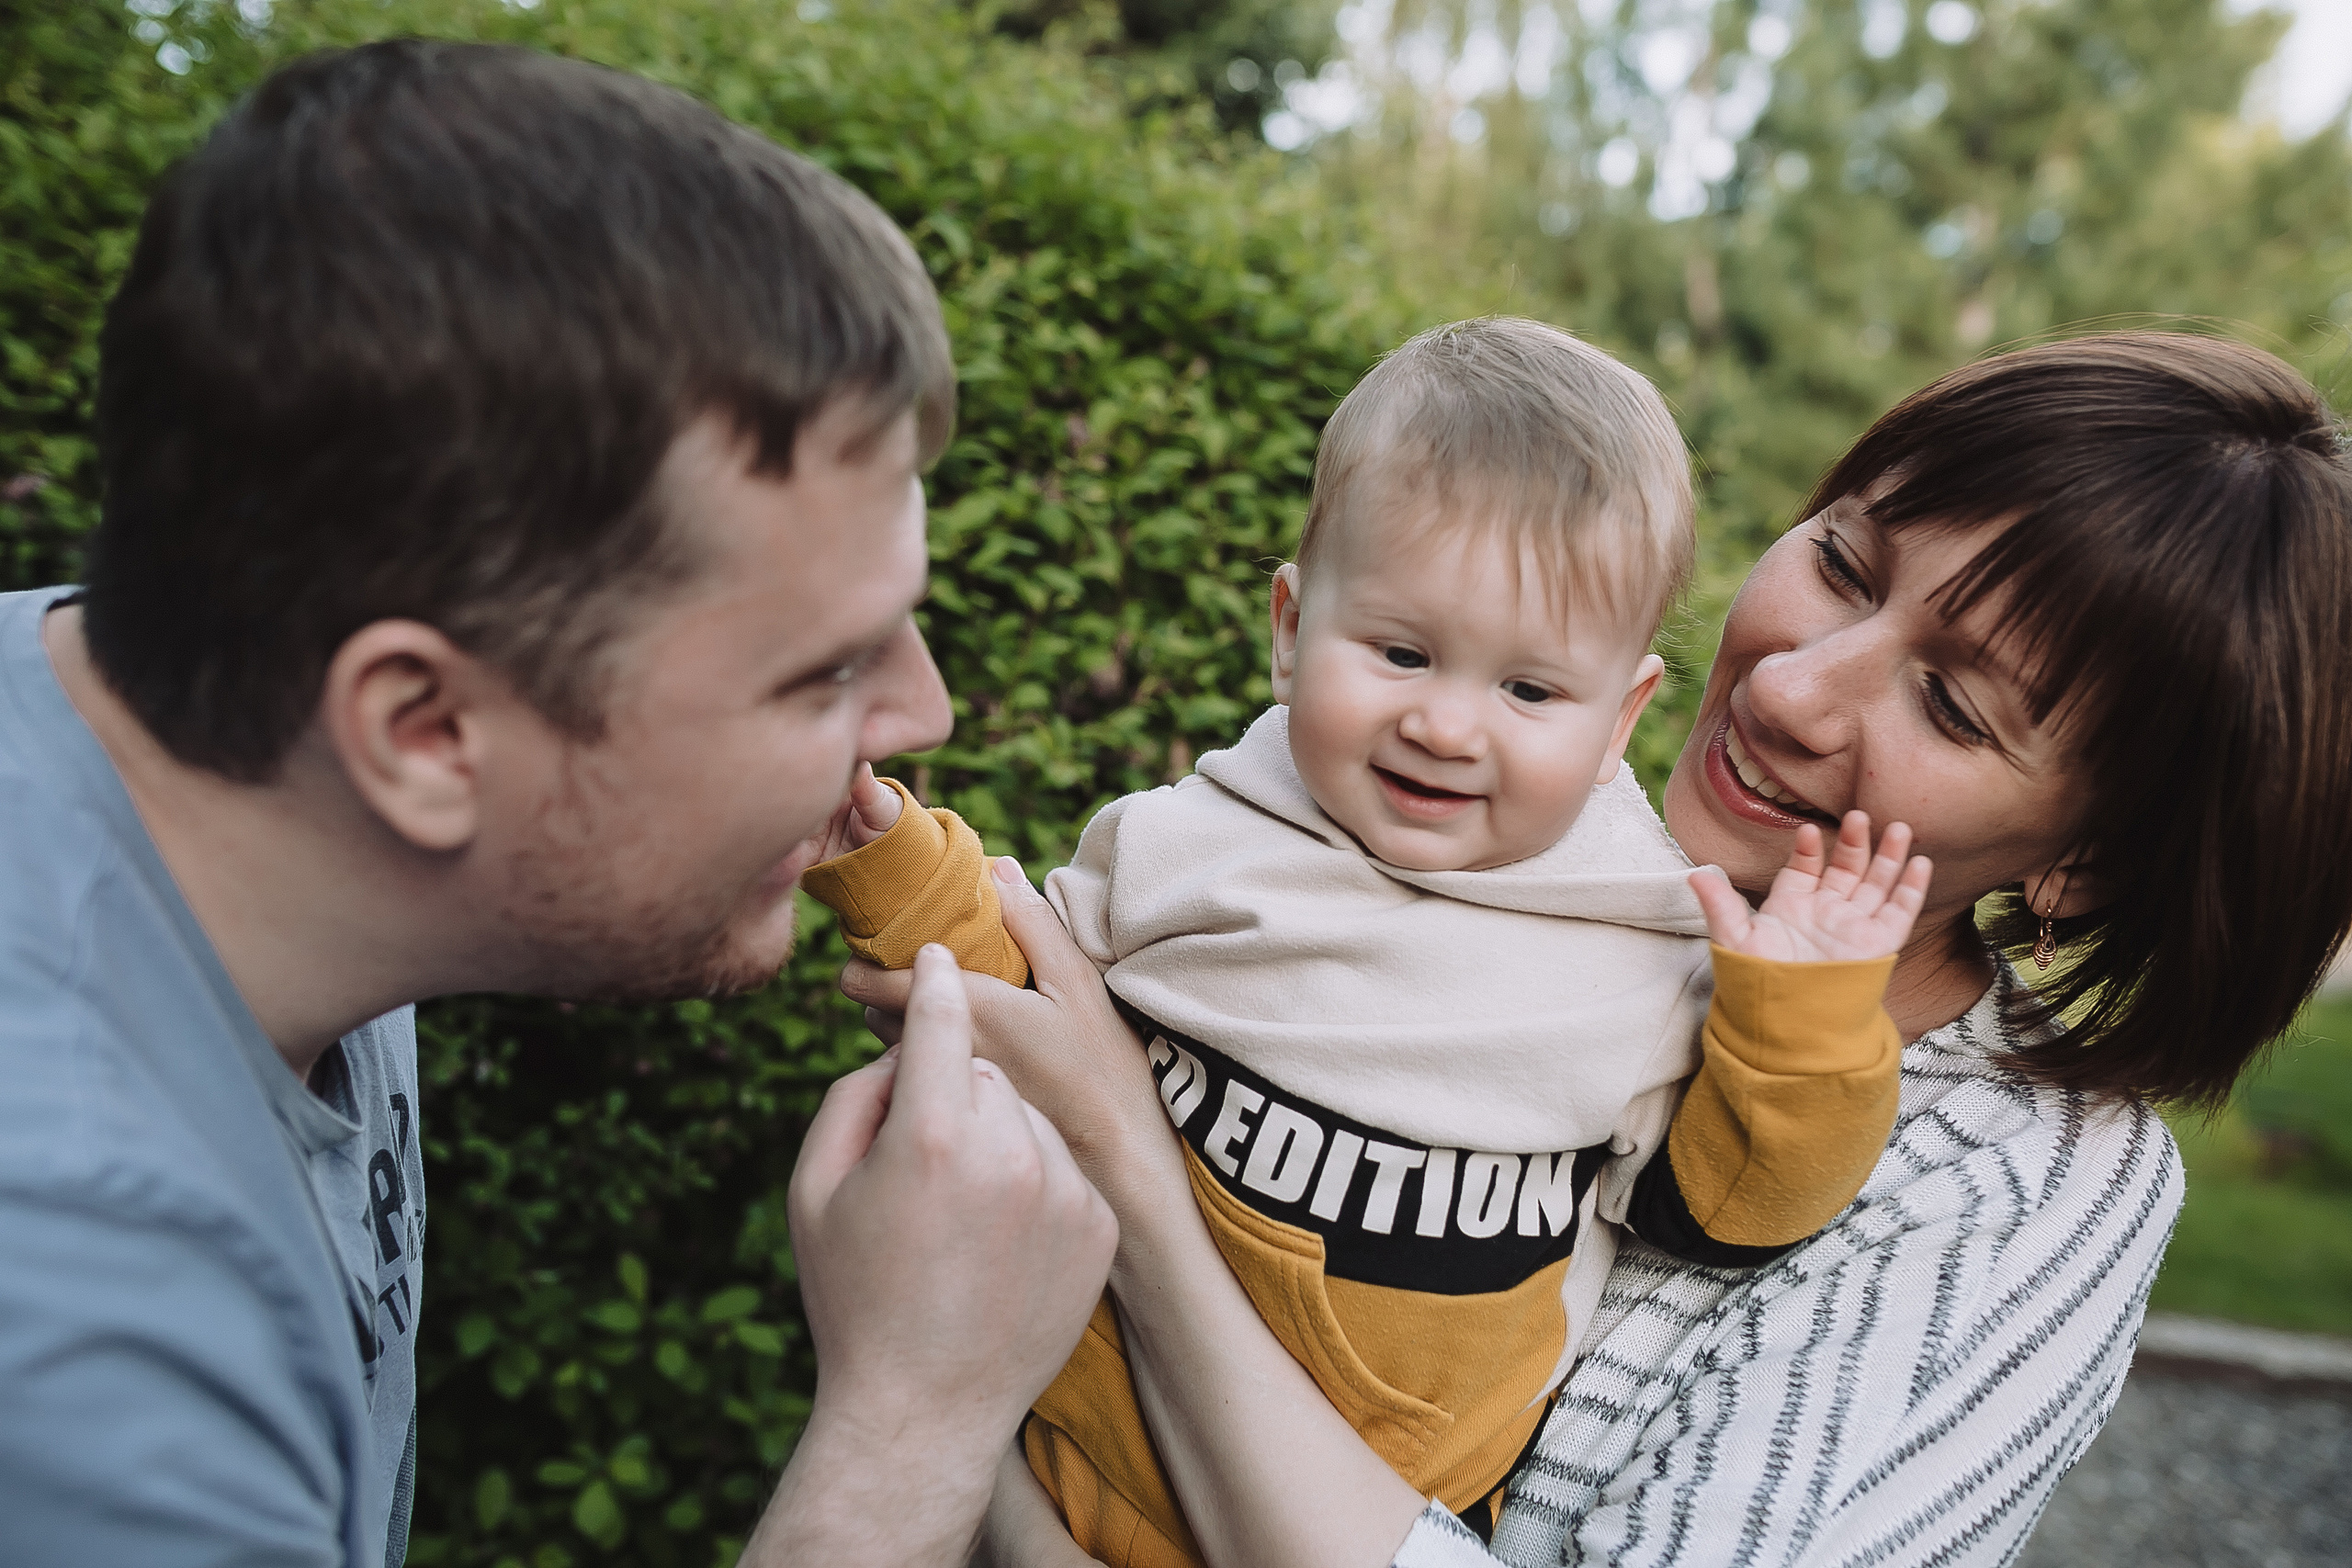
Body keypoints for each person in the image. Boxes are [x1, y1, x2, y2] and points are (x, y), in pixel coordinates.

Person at [843, 330, 2352, 1567]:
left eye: (1955, 707)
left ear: (2085, 864)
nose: (1796, 689)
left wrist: (1129, 1180)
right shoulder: (1475, 814)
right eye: (1841, 559)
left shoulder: (2023, 1184)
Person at [0, 40, 1114, 1568]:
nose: (923, 713)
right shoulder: (87, 1361)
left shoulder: (173, 736)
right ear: (427, 730)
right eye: (824, 670)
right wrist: (914, 1423)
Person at [802, 317, 1931, 1565]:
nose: (1448, 725)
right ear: (1292, 629)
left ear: (1621, 722)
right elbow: (1019, 998)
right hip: (1077, 1447)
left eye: (1530, 691)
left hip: (1365, 1498)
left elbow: (1733, 1213)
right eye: (1400, 653)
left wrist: (1810, 1013)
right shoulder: (1192, 842)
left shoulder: (1655, 941)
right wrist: (898, 869)